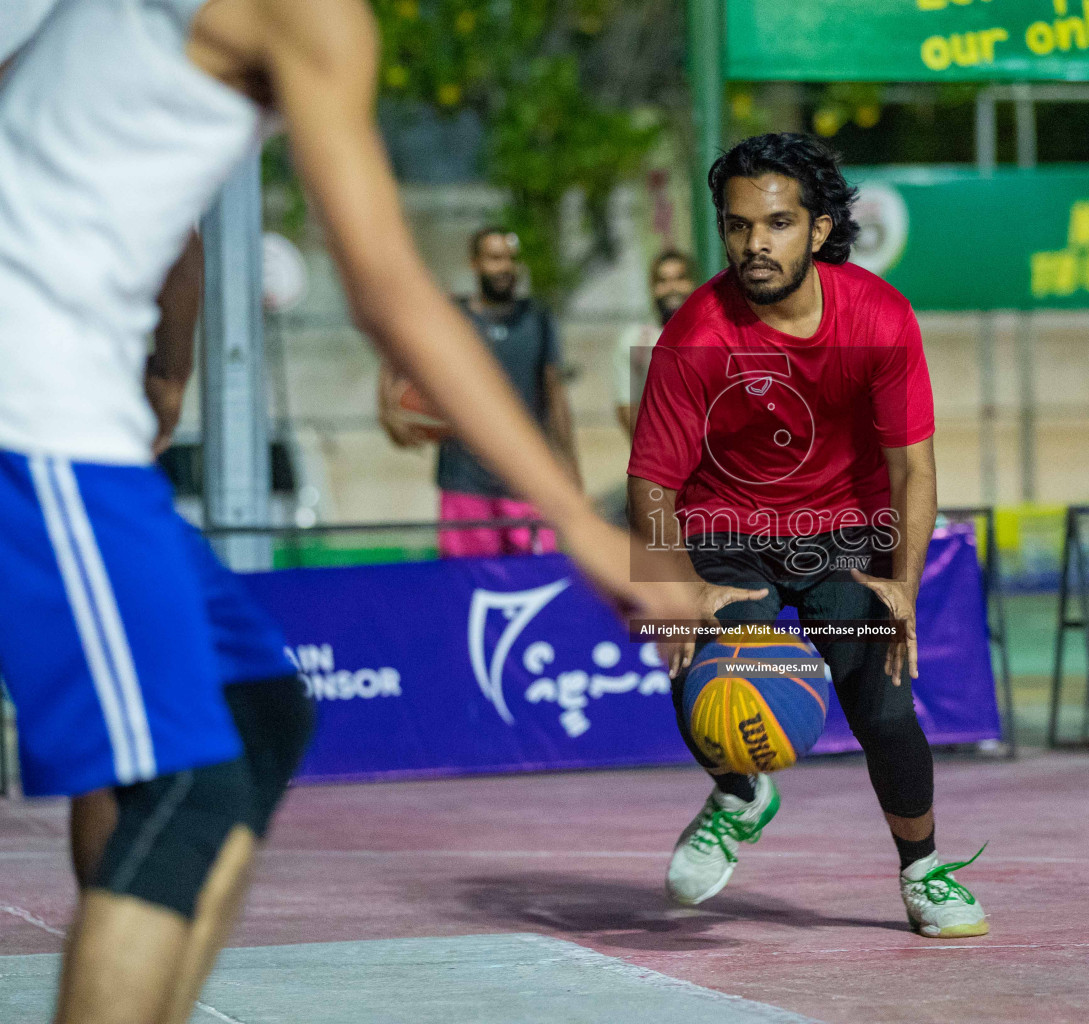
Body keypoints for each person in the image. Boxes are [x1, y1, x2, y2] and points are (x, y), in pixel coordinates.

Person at [0, 3, 688, 1023]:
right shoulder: (310, 13)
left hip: (72, 407)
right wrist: (582, 528)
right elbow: (392, 290)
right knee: (186, 785)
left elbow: (125, 183)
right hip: (35, 410)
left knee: (256, 711)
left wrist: (168, 363)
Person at [626, 133, 989, 939]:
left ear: (819, 230)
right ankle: (740, 791)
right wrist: (677, 588)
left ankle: (926, 874)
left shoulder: (879, 318)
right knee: (701, 667)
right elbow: (650, 481)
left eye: (779, 223)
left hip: (846, 528)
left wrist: (904, 581)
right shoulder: (694, 336)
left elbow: (912, 471)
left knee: (887, 713)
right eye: (737, 225)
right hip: (723, 525)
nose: (755, 244)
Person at [381, 228, 578, 557]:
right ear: (475, 264)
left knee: (537, 589)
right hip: (465, 486)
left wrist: (570, 469)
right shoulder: (452, 317)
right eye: (495, 258)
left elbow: (555, 397)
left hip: (528, 483)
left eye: (510, 259)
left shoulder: (538, 319)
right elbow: (395, 353)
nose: (504, 267)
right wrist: (389, 410)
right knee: (466, 595)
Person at [613, 249, 698, 439]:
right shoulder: (635, 341)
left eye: (680, 278)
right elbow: (627, 407)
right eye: (663, 281)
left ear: (693, 283)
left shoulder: (718, 338)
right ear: (652, 287)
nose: (672, 287)